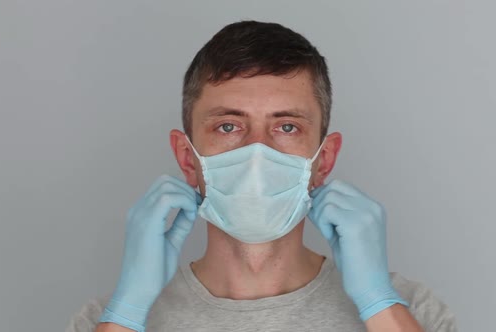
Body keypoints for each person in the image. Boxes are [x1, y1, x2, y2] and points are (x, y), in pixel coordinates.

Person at [66, 21, 457, 332]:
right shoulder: (108, 320)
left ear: (323, 159)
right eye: (228, 126)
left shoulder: (411, 311)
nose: (258, 151)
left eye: (287, 127)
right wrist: (129, 311)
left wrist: (378, 302)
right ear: (188, 158)